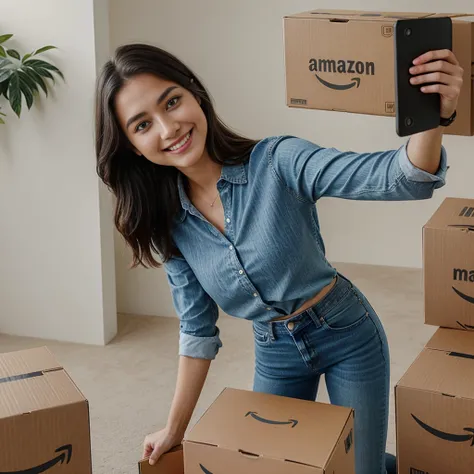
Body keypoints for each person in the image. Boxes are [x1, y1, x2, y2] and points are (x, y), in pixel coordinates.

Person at [94, 43, 463, 474]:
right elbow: (196, 330)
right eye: (142, 125)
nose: (168, 128)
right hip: (274, 351)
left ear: (196, 94)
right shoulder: (169, 225)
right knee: (279, 466)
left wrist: (435, 113)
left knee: (359, 470)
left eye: (172, 102)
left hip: (346, 332)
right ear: (133, 147)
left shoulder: (278, 161)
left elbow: (401, 178)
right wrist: (176, 427)